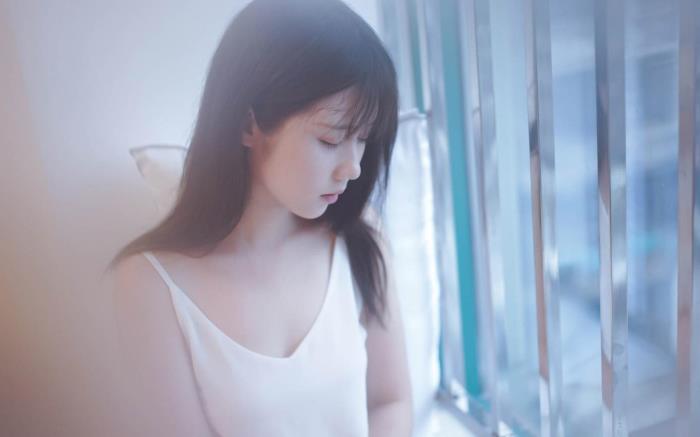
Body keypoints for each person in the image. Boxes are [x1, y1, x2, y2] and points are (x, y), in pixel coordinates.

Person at [108, 0, 412, 436]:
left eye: (363, 139)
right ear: (248, 125)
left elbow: (389, 400)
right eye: (330, 140)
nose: (353, 168)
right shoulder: (150, 287)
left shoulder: (359, 238)